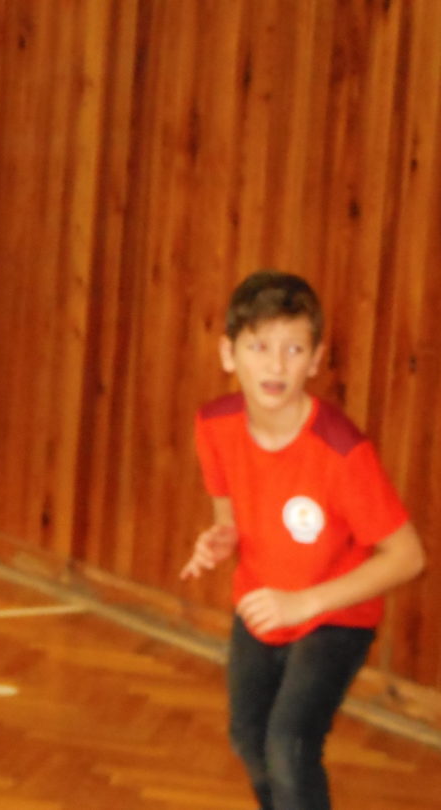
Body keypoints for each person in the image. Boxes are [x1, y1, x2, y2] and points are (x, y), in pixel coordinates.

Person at [179, 270, 425, 810]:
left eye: (293, 349)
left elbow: (408, 556)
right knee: (249, 739)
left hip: (335, 613)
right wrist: (219, 539)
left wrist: (305, 603)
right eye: (259, 347)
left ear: (315, 360)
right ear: (228, 354)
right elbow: (228, 517)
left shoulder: (343, 452)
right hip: (264, 602)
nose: (276, 365)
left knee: (289, 747)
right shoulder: (213, 425)